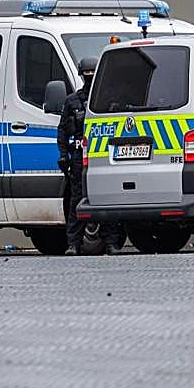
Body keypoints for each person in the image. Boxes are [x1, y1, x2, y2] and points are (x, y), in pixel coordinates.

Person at [57, 54, 123, 255]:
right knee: (76, 201)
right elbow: (62, 130)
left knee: (105, 199)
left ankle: (112, 243)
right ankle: (73, 244)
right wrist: (63, 155)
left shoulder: (109, 100)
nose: (89, 78)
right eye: (86, 75)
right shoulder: (72, 101)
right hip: (78, 157)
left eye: (92, 75)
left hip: (101, 157)